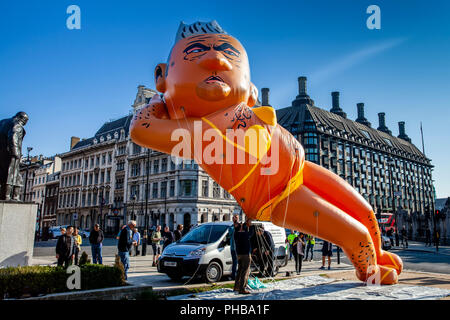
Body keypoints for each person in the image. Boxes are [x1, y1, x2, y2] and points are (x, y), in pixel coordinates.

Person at [129, 20, 403, 285]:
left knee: (366, 212)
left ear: (250, 89)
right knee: (355, 235)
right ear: (162, 75)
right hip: (276, 195)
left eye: (229, 54)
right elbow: (141, 129)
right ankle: (370, 270)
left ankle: (378, 255)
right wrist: (158, 101)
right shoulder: (198, 132)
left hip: (301, 168)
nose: (216, 61)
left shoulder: (238, 111)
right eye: (197, 51)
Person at [234, 218, 253, 294]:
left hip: (239, 254)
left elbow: (236, 229)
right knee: (245, 271)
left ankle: (236, 286)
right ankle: (242, 288)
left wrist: (241, 225)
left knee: (239, 270)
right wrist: (250, 224)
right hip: (245, 254)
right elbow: (251, 232)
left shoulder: (236, 234)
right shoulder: (245, 234)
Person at [229, 214, 239, 280]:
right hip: (233, 247)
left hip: (238, 247)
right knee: (234, 262)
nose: (235, 219)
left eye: (236, 218)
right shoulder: (231, 227)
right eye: (234, 218)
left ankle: (236, 274)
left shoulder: (240, 226)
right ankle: (233, 275)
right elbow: (230, 234)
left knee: (238, 262)